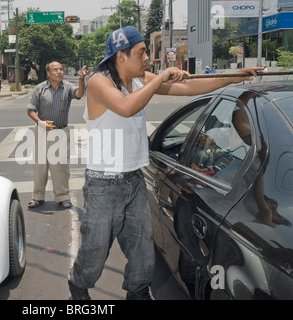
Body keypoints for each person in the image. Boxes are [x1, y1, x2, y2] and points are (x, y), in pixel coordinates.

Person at [67, 25, 263, 300]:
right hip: (103, 184)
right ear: (121, 56)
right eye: (142, 52)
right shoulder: (100, 82)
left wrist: (232, 77)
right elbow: (126, 108)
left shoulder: (140, 79)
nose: (147, 57)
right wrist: (159, 80)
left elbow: (187, 87)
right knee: (95, 251)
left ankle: (137, 292)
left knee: (142, 248)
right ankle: (78, 286)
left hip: (133, 179)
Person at [26, 61, 89, 210]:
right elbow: (30, 110)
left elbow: (79, 94)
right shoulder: (39, 89)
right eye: (55, 70)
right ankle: (38, 197)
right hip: (42, 131)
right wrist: (40, 122)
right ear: (48, 73)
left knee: (61, 166)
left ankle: (63, 197)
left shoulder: (67, 87)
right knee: (40, 165)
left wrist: (81, 80)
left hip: (61, 131)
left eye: (61, 69)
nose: (59, 72)